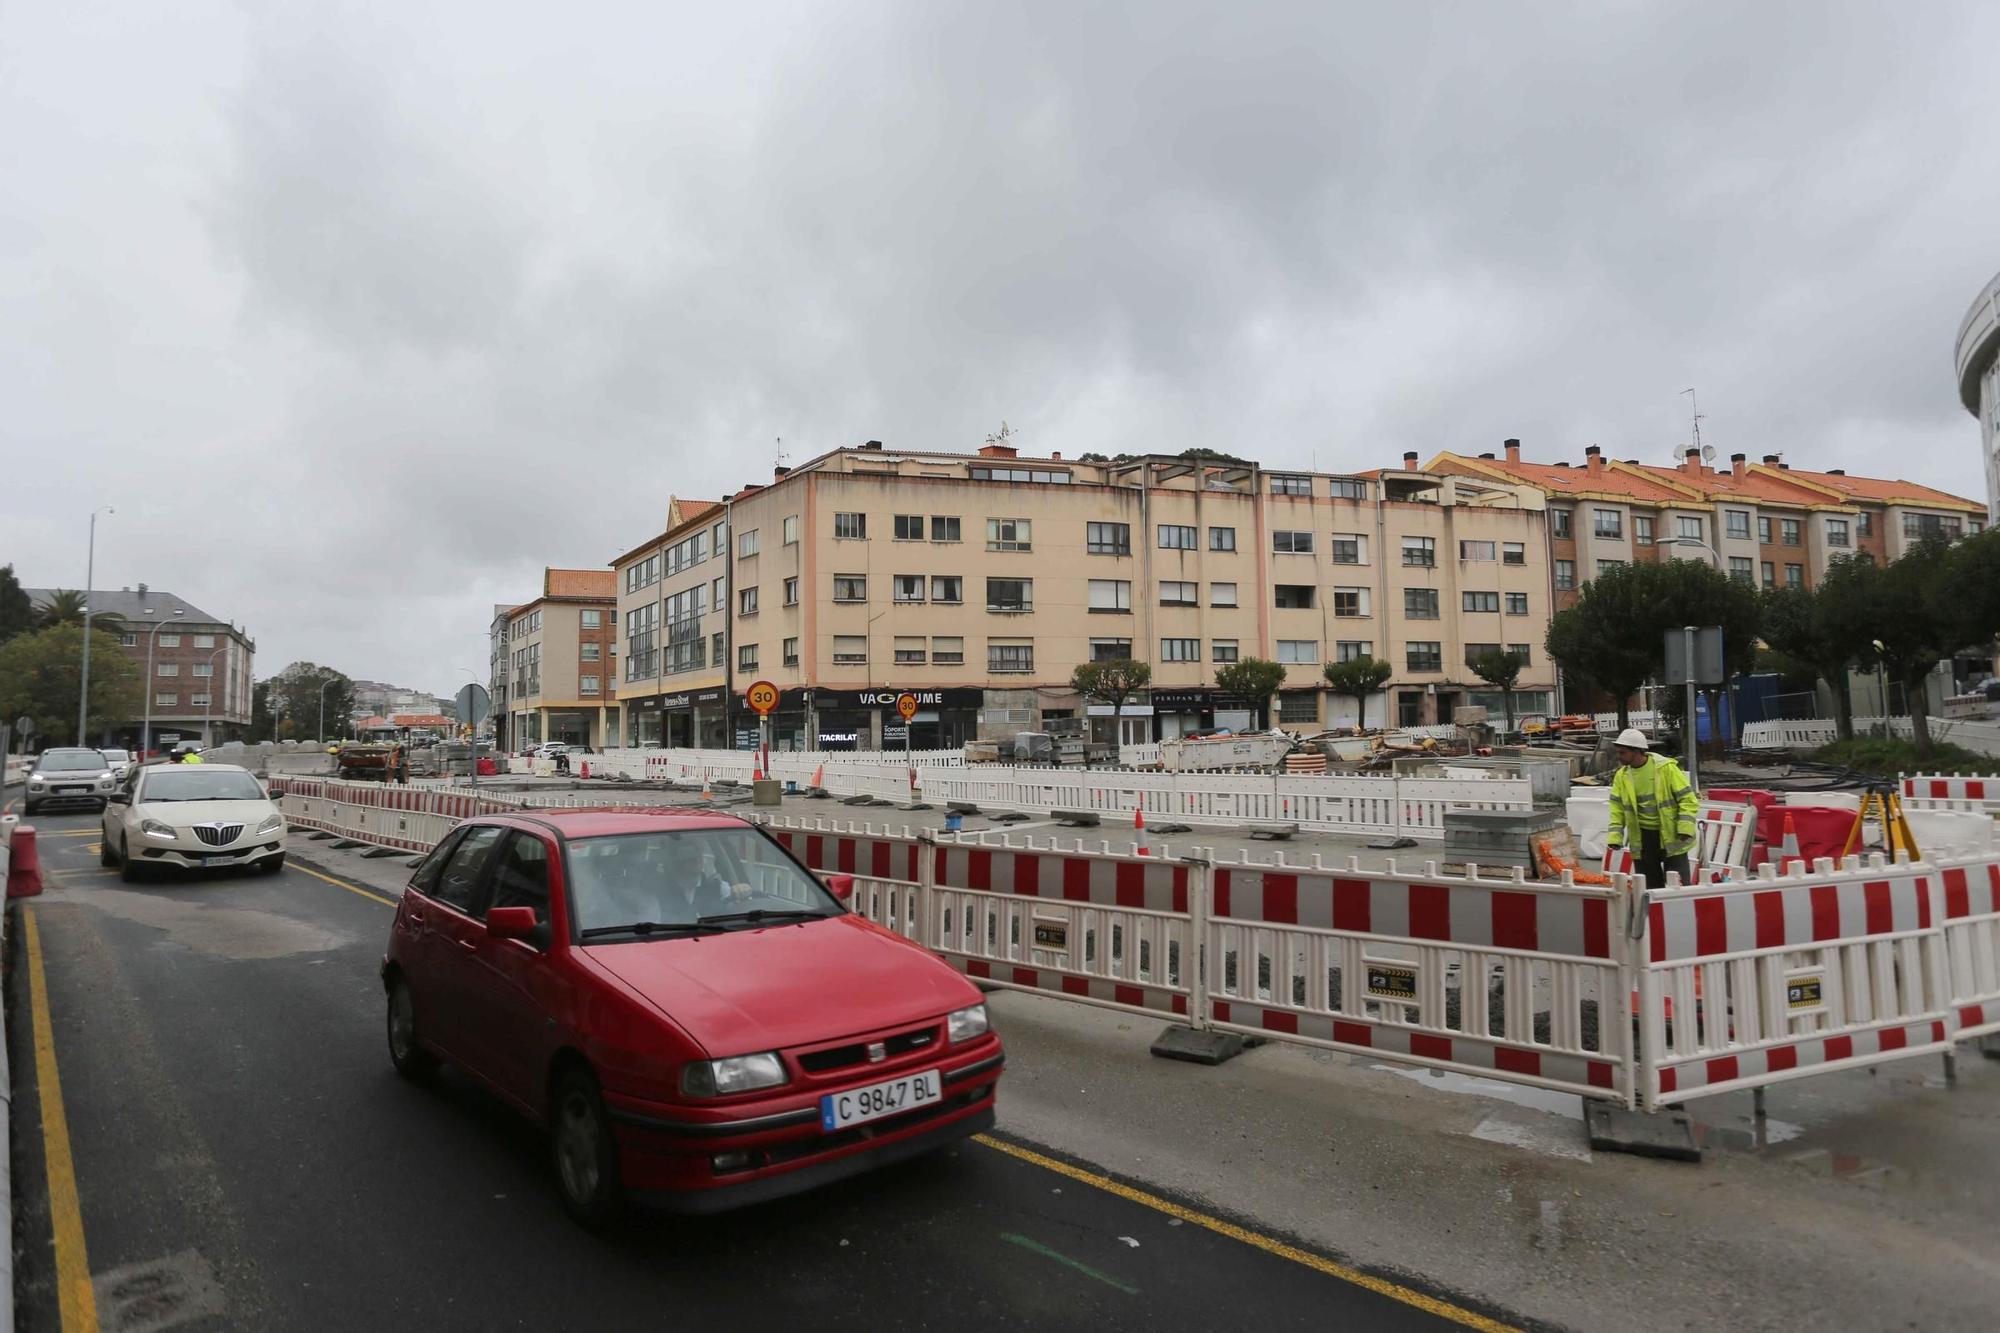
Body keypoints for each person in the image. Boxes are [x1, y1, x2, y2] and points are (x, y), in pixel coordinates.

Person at [1605, 727, 1699, 886]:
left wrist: (1685, 828)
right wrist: (1615, 836)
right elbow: (1617, 809)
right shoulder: (1622, 776)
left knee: (1678, 887)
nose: (1618, 756)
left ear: (1636, 751)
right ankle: (1653, 912)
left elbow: (1687, 799)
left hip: (1671, 834)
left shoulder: (1666, 769)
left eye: (1622, 752)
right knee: (1649, 888)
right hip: (1643, 839)